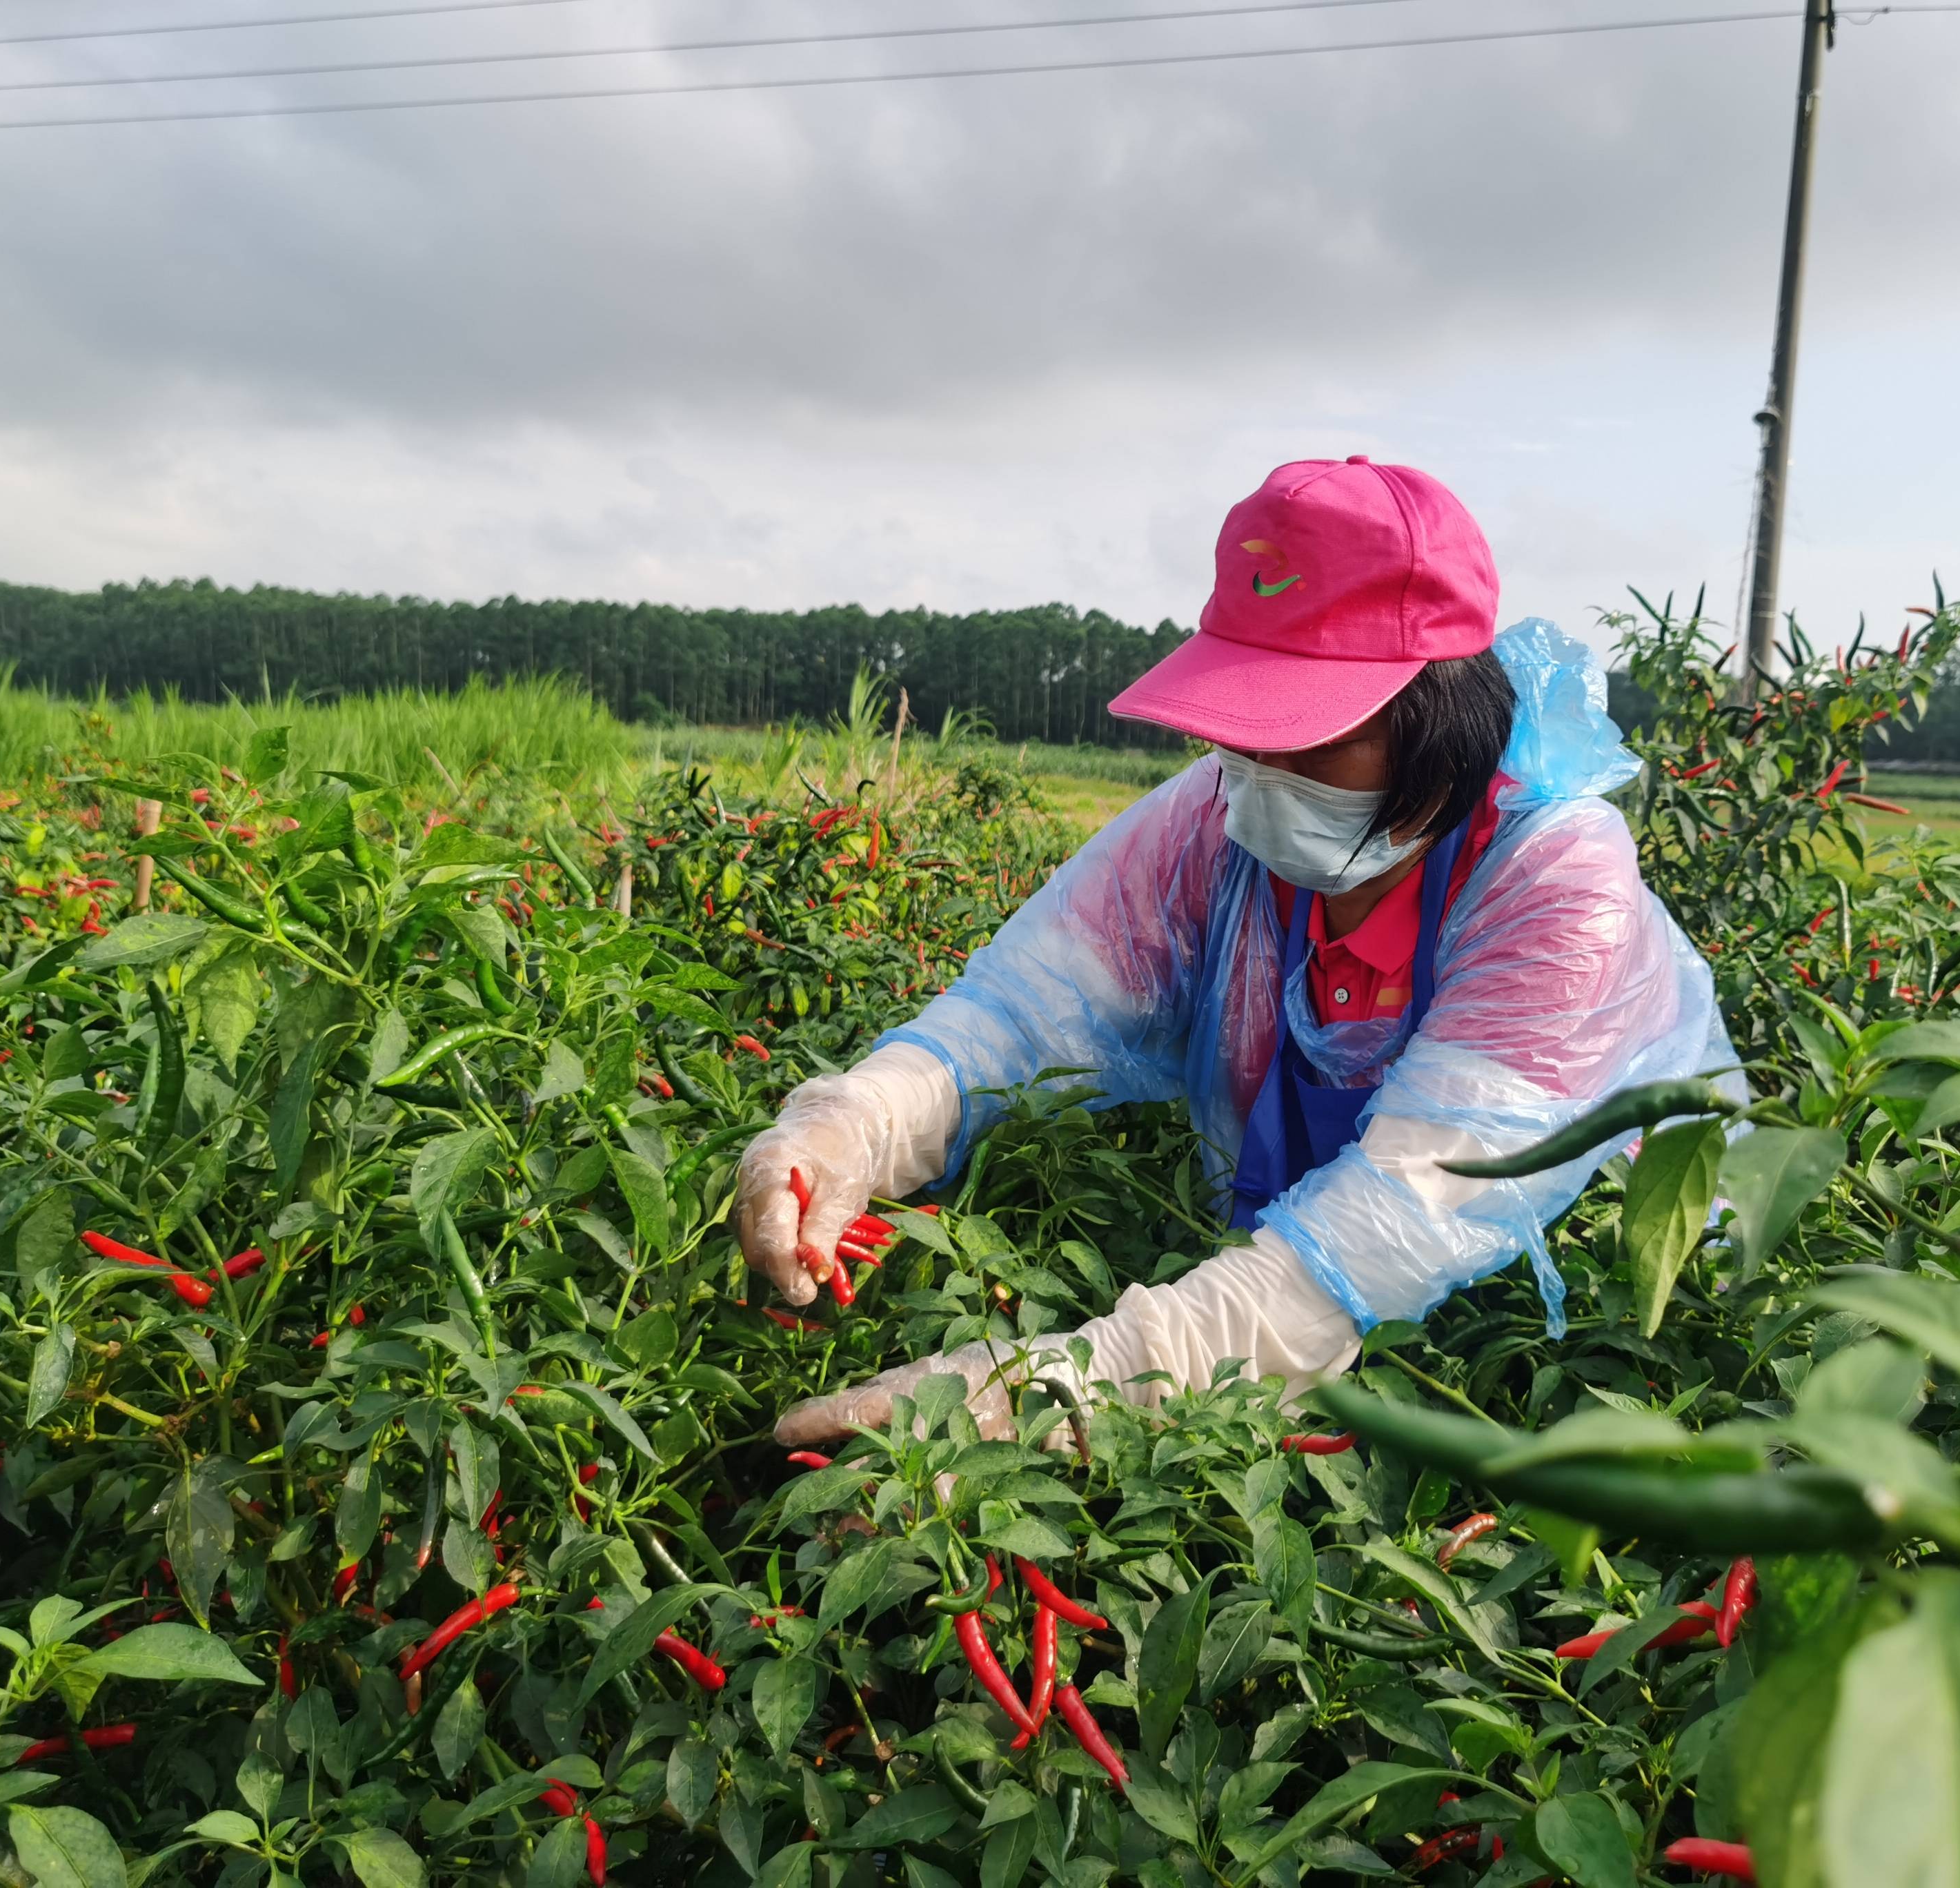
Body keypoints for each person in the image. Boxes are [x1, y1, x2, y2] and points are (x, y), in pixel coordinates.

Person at [742, 455, 1740, 1442]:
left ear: (1438, 721)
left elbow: (1411, 1211)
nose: (1262, 773)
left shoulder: (1556, 882)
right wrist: (858, 1121)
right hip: (1289, 1318)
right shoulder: (1216, 824)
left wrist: (1081, 1384)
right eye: (1244, 729)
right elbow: (1022, 1013)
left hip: (1586, 1349)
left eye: (1309, 737)